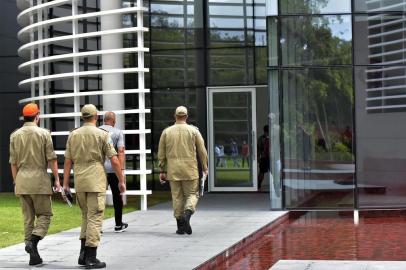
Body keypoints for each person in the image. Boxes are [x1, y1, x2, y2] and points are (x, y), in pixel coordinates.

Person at [63, 104, 126, 269]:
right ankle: (91, 257)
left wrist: (65, 184)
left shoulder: (73, 135)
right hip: (95, 179)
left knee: (85, 216)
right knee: (95, 217)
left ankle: (82, 255)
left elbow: (68, 160)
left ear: (83, 117)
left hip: (80, 180)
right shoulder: (102, 135)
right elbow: (114, 159)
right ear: (96, 117)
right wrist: (121, 180)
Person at [9, 103, 61, 266]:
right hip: (39, 180)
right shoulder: (44, 134)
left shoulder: (15, 135)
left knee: (28, 219)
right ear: (37, 116)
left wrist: (16, 181)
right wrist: (57, 180)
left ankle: (33, 255)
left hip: (22, 181)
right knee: (45, 215)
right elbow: (51, 159)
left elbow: (13, 162)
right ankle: (33, 241)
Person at [158, 106, 208, 235]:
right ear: (186, 116)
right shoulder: (194, 131)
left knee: (177, 197)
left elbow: (161, 153)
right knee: (192, 194)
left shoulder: (166, 132)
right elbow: (202, 151)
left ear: (175, 116)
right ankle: (187, 214)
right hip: (190, 169)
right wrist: (205, 167)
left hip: (173, 170)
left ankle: (180, 226)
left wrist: (162, 170)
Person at [99, 112, 128, 233]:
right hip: (113, 168)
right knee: (117, 196)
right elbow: (120, 151)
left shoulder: (97, 131)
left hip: (99, 169)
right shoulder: (118, 132)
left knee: (98, 198)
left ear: (104, 120)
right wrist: (121, 171)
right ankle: (118, 224)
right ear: (114, 121)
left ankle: (97, 227)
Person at [257, 125, 270, 191]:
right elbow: (258, 149)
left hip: (270, 158)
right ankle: (258, 185)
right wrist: (258, 158)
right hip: (264, 157)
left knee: (274, 173)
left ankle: (275, 187)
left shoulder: (272, 137)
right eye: (267, 131)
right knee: (261, 172)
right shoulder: (261, 139)